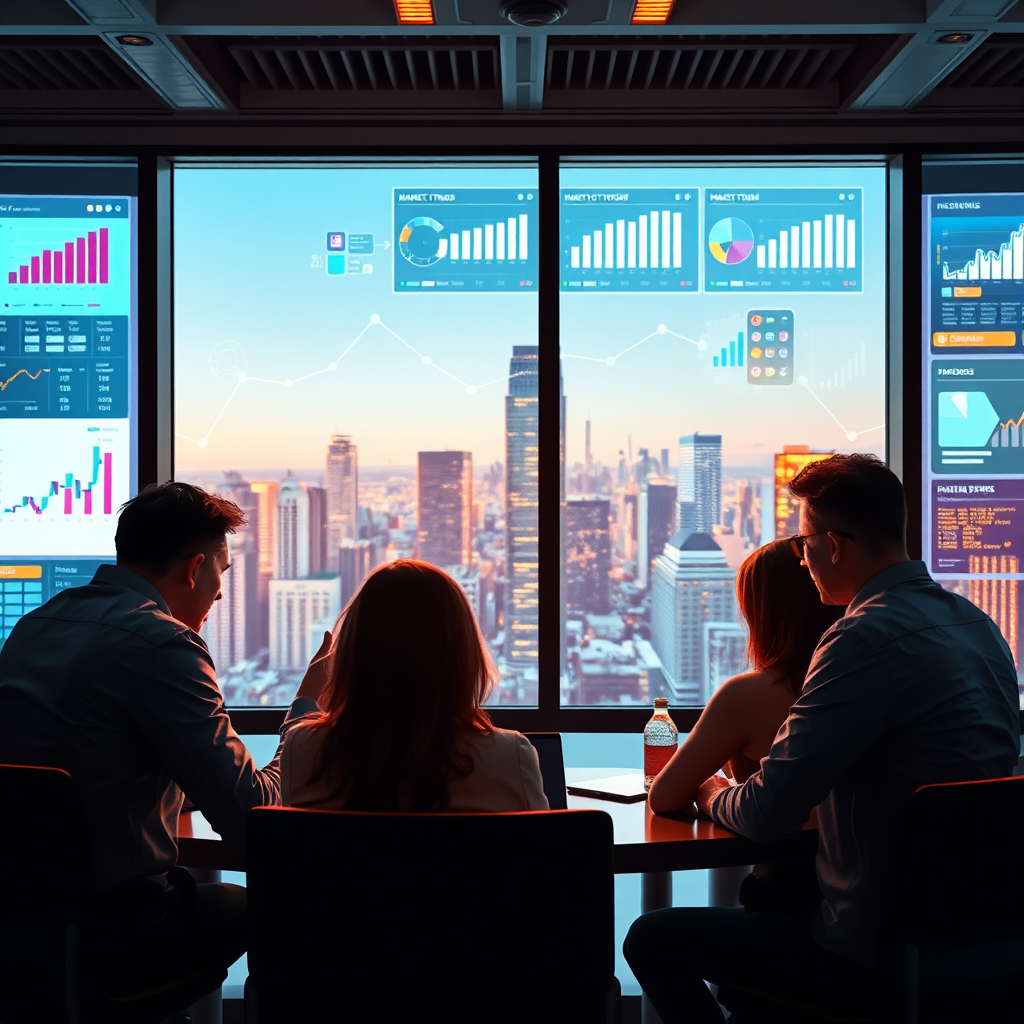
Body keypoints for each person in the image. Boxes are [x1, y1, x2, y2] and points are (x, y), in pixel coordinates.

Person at [624, 454, 1020, 1024]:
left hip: (871, 949)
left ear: (833, 545)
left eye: (802, 544)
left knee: (652, 938)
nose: (802, 559)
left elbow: (765, 814)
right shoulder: (977, 626)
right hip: (983, 938)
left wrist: (710, 792)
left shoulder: (861, 638)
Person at [0, 482, 329, 1016]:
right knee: (297, 904)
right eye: (219, 586)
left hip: (22, 929)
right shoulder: (162, 644)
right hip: (118, 934)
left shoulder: (37, 625)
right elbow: (255, 820)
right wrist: (308, 707)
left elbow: (86, 766)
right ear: (195, 569)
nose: (214, 604)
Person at [282, 559, 548, 813]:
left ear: (352, 656)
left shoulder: (304, 752)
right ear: (462, 656)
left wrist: (306, 699)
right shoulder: (509, 758)